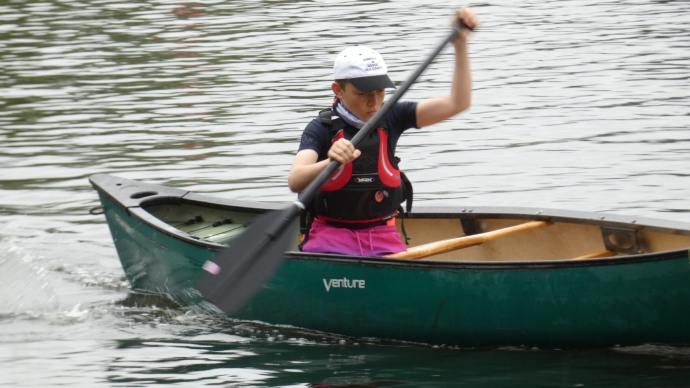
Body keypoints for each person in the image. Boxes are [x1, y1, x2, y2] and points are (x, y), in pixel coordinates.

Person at [288, 8, 478, 257]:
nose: (374, 102)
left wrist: (460, 45)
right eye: (364, 93)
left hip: (383, 237)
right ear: (338, 90)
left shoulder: (394, 116)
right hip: (329, 238)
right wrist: (330, 161)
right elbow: (295, 180)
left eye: (380, 91)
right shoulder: (320, 128)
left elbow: (458, 103)